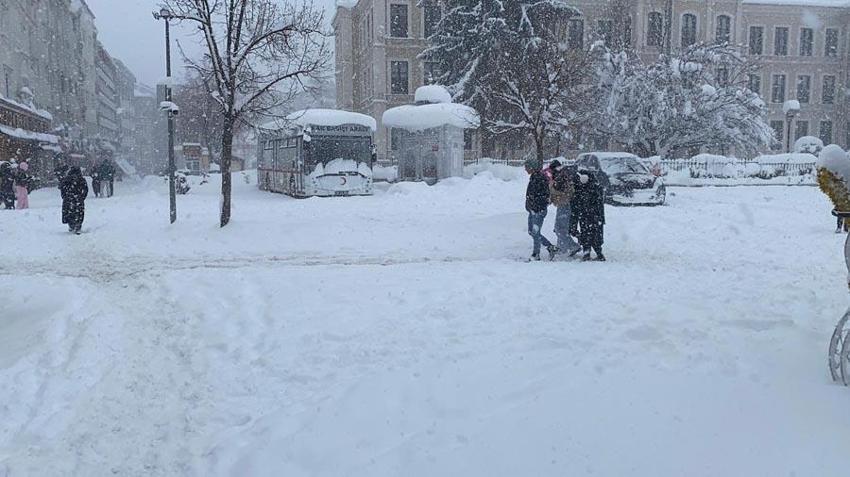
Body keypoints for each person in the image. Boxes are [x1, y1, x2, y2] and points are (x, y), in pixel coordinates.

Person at [525, 158, 558, 261]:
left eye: (527, 167)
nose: (525, 169)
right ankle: (550, 247)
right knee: (532, 231)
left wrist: (535, 207)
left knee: (535, 231)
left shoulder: (540, 178)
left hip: (538, 210)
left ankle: (536, 254)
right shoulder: (534, 177)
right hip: (533, 209)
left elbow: (543, 195)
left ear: (532, 167)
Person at [548, 160, 580, 257]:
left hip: (564, 205)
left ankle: (573, 246)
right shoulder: (563, 175)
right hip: (564, 205)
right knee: (560, 228)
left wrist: (551, 192)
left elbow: (561, 192)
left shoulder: (561, 177)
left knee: (560, 228)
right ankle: (562, 248)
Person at [572, 167, 606, 261]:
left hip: (586, 216)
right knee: (595, 234)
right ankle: (598, 253)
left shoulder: (581, 189)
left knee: (587, 233)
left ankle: (588, 252)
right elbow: (599, 205)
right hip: (593, 216)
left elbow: (576, 204)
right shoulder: (595, 187)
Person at [60, 166, 89, 234]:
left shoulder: (66, 179)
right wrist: (82, 197)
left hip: (69, 199)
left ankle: (71, 225)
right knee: (79, 213)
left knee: (69, 212)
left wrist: (65, 197)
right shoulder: (81, 179)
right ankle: (78, 225)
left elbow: (62, 189)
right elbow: (85, 189)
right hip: (78, 199)